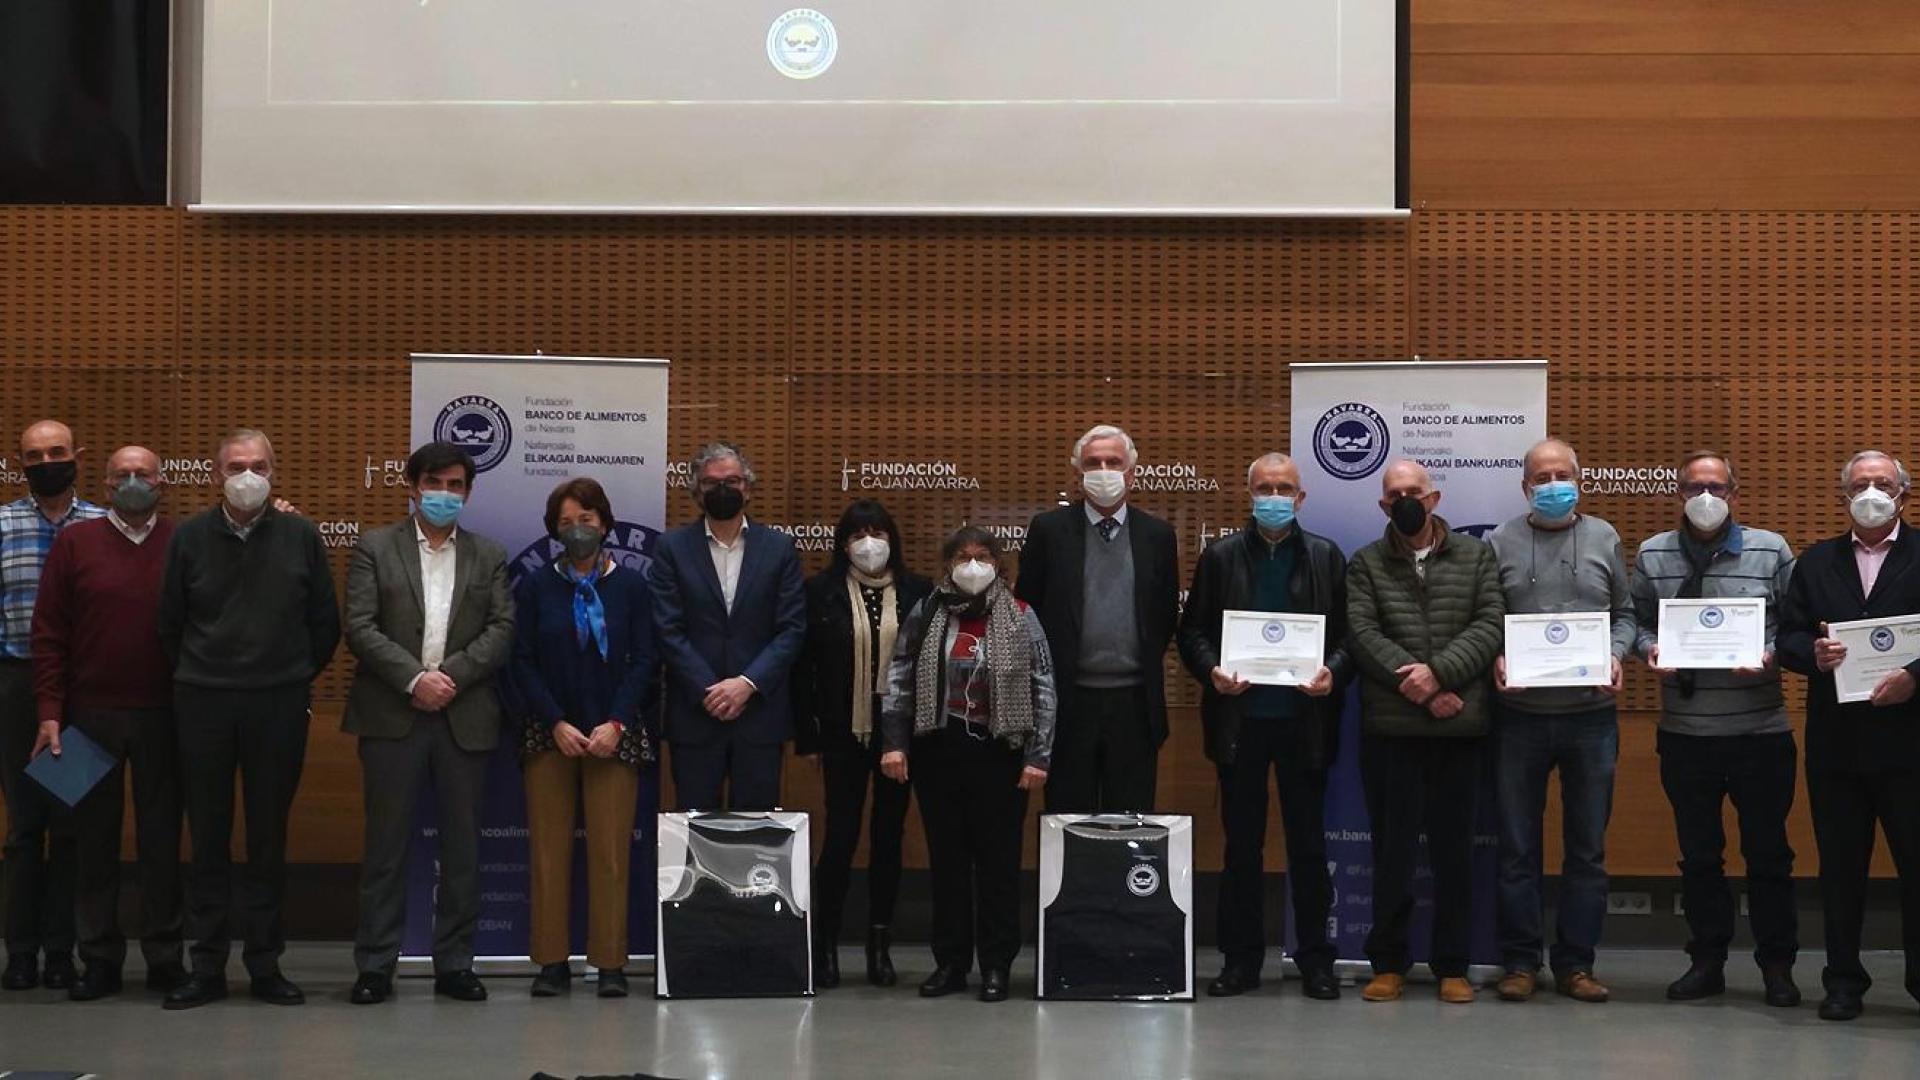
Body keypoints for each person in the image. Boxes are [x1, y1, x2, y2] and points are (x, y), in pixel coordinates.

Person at [156, 429, 341, 1009]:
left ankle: (265, 965)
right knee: (207, 836)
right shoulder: (188, 537)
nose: (248, 474)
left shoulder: (302, 535)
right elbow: (169, 624)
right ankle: (206, 966)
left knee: (268, 838)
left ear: (275, 472)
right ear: (216, 474)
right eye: (236, 464)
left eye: (259, 464)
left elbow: (324, 623)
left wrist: (289, 675)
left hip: (277, 703)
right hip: (203, 701)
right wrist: (200, 672)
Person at [342, 442, 515, 1006]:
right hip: (393, 714)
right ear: (412, 486)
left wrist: (450, 679)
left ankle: (456, 964)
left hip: (464, 716)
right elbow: (361, 627)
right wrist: (416, 679)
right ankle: (375, 966)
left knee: (463, 849)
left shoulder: (490, 555)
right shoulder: (375, 547)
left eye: (457, 485)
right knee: (385, 848)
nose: (445, 494)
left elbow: (501, 630)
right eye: (435, 483)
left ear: (468, 492)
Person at [1631, 449, 1800, 1008]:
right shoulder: (1654, 554)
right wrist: (1650, 647)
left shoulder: (1770, 549)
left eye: (1717, 487)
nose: (1706, 498)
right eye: (1694, 486)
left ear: (1734, 492)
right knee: (1698, 856)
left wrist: (1772, 654)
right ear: (1678, 492)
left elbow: (1794, 624)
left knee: (1769, 854)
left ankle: (1778, 964)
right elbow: (1632, 622)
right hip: (1686, 734)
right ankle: (1707, 960)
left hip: (1760, 731)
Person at [1176, 453, 1348, 1000]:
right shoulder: (1221, 556)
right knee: (1241, 848)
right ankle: (1240, 960)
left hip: (1306, 723)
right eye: (1264, 488)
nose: (1274, 497)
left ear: (1301, 498)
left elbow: (1350, 638)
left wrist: (1332, 674)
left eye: (1285, 488)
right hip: (1239, 724)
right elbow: (1191, 632)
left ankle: (1317, 961)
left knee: (1309, 848)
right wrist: (1212, 672)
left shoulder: (1325, 555)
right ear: (1249, 494)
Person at [1346, 459, 1504, 1005]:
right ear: (1383, 505)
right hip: (1391, 729)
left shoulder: (1477, 555)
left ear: (1433, 499)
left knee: (1454, 854)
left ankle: (1452, 966)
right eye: (1395, 494)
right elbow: (1362, 632)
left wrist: (1440, 674)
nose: (1405, 500)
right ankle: (1388, 963)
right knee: (1391, 853)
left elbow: (1490, 623)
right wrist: (1423, 688)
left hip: (1459, 730)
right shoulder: (1366, 562)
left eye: (1415, 491)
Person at [29, 446, 181, 1001]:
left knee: (162, 842)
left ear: (162, 482)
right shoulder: (75, 543)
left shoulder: (181, 543)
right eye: (123, 475)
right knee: (91, 842)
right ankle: (99, 959)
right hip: (88, 716)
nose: (134, 482)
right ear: (107, 485)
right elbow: (48, 635)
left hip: (167, 716)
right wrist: (49, 714)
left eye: (144, 474)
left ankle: (165, 956)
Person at [1486, 439, 1635, 1004]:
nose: (1552, 484)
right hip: (1518, 720)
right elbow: (1486, 618)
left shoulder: (1604, 537)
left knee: (1587, 849)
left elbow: (1623, 614)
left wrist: (1617, 654)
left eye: (1561, 475)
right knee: (1517, 849)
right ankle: (1521, 962)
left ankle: (1576, 964)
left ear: (1580, 480)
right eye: (1540, 477)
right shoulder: (1499, 541)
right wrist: (1496, 657)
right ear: (1525, 487)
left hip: (1590, 721)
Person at [880, 526, 1054, 1004]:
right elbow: (899, 676)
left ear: (999, 564)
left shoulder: (1022, 616)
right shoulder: (928, 611)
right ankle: (951, 964)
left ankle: (996, 966)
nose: (972, 565)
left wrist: (1039, 755)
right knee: (948, 865)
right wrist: (895, 743)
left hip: (1002, 756)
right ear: (947, 565)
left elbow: (1043, 687)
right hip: (939, 752)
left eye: (982, 556)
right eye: (962, 556)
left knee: (998, 866)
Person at [1778, 450, 1920, 1021]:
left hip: (1911, 744)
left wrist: (1915, 678)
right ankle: (1842, 981)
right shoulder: (1816, 562)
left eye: (1881, 483)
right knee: (1839, 870)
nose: (1870, 491)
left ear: (1903, 495)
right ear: (1843, 496)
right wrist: (1809, 654)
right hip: (1837, 747)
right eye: (1859, 483)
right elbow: (1786, 634)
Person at [512, 477, 657, 998]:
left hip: (615, 734)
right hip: (549, 731)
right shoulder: (535, 587)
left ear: (606, 524)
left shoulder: (635, 587)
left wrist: (616, 721)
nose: (578, 530)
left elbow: (645, 660)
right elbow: (521, 662)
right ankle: (552, 962)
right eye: (567, 522)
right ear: (554, 529)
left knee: (611, 853)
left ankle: (611, 963)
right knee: (549, 853)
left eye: (587, 520)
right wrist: (554, 720)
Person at [793, 499, 932, 989]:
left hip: (901, 736)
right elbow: (802, 670)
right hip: (841, 733)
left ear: (892, 538)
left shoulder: (920, 591)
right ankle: (826, 945)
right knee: (841, 837)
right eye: (857, 533)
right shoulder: (820, 591)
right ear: (843, 542)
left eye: (877, 532)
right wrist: (807, 737)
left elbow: (927, 667)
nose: (868, 542)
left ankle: (879, 944)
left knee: (889, 839)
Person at [1015, 424, 1178, 813]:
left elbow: (1164, 613)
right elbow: (1027, 609)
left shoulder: (1158, 535)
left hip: (1135, 705)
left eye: (1113, 462)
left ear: (1132, 473)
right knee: (1068, 817)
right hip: (1068, 702)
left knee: (1131, 818)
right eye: (1093, 463)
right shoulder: (1049, 530)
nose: (1103, 470)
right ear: (1077, 473)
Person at [1, 419, 105, 992]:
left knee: (71, 827)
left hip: (81, 692)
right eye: (35, 455)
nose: (47, 462)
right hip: (15, 686)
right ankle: (20, 952)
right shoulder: (1, 523)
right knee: (23, 827)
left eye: (57, 452)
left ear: (78, 455)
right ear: (20, 464)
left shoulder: (99, 525)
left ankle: (63, 952)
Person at [650, 442, 804, 811]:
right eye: (711, 482)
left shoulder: (779, 548)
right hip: (695, 714)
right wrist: (711, 690)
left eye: (732, 481)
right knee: (696, 830)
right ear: (696, 491)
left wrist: (746, 684)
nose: (722, 489)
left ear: (748, 488)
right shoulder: (671, 548)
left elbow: (792, 629)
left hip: (759, 717)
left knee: (756, 835)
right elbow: (667, 628)